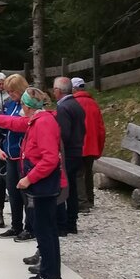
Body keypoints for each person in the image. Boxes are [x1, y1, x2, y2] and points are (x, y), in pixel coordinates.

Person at [0, 86, 66, 279]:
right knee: (47, 228)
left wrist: (29, 179)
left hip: (43, 184)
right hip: (42, 183)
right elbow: (17, 123)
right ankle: (52, 272)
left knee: (44, 229)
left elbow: (50, 158)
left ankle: (48, 276)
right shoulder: (37, 119)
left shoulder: (44, 124)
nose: (20, 106)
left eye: (22, 103)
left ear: (28, 105)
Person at [0, 74, 30, 240]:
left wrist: (2, 120)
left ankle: (30, 227)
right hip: (10, 155)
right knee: (13, 193)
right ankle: (16, 226)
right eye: (8, 92)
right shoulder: (10, 105)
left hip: (22, 156)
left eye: (12, 92)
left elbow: (20, 124)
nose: (10, 95)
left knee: (25, 194)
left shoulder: (27, 105)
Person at [52, 77, 85, 235]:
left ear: (58, 91)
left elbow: (63, 133)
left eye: (54, 89)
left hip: (69, 153)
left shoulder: (63, 107)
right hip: (78, 150)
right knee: (72, 188)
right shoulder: (77, 104)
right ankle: (72, 222)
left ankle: (64, 224)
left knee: (64, 189)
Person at [71, 77, 105, 209]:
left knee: (78, 173)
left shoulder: (72, 103)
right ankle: (90, 200)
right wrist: (99, 147)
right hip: (92, 145)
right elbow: (101, 128)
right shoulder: (93, 103)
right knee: (88, 172)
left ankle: (82, 203)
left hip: (77, 144)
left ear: (73, 89)